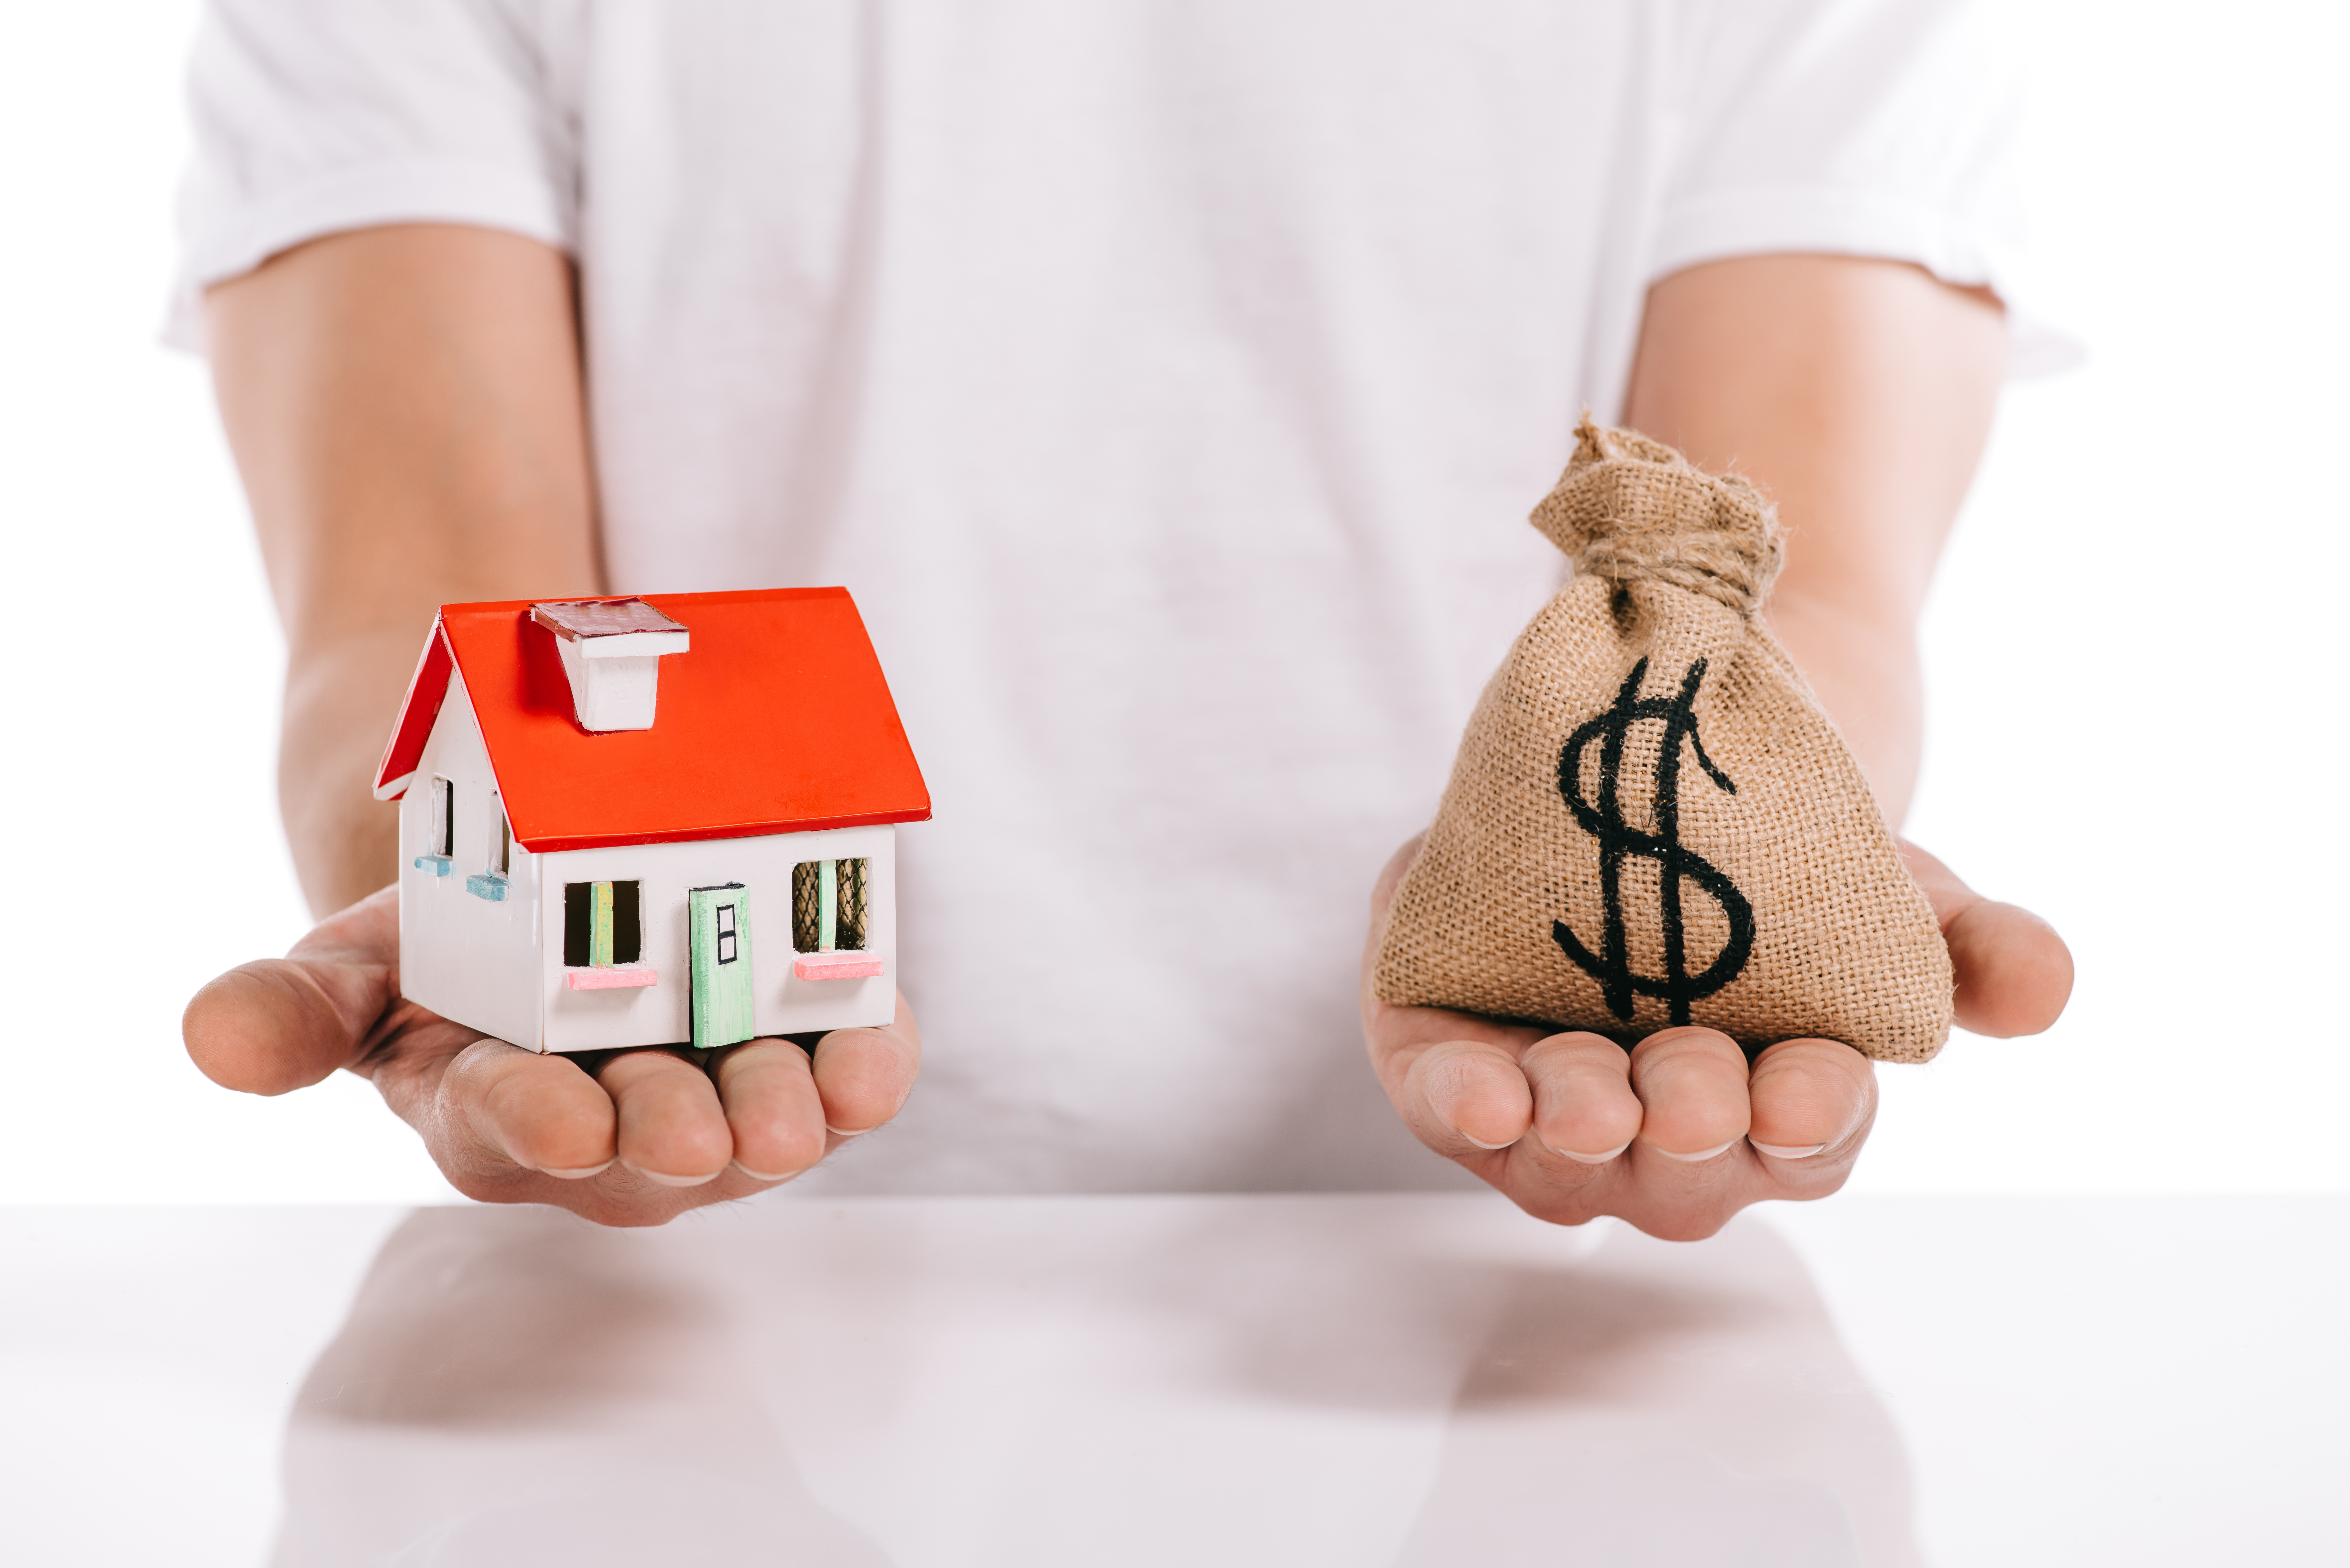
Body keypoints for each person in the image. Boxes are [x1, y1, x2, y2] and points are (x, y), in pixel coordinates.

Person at [177, 0, 2073, 1235]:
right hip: (673, 1375)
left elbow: (1759, 583)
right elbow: (452, 633)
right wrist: (449, 899)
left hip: (1535, 1349)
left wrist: (1709, 900)